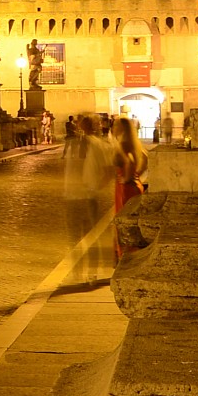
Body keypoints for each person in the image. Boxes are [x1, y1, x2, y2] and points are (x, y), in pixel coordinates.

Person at [60, 113, 115, 288]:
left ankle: (90, 272)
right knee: (76, 238)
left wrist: (96, 186)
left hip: (87, 196)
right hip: (72, 196)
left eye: (83, 124)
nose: (79, 127)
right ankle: (78, 273)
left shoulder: (98, 146)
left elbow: (109, 171)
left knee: (89, 238)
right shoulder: (72, 144)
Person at [110, 117, 149, 259]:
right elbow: (145, 160)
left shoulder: (123, 145)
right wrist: (136, 175)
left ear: (121, 129)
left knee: (123, 221)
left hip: (125, 188)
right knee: (130, 220)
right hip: (134, 185)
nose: (113, 127)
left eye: (116, 126)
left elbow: (129, 160)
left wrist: (126, 176)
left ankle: (125, 255)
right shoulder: (133, 144)